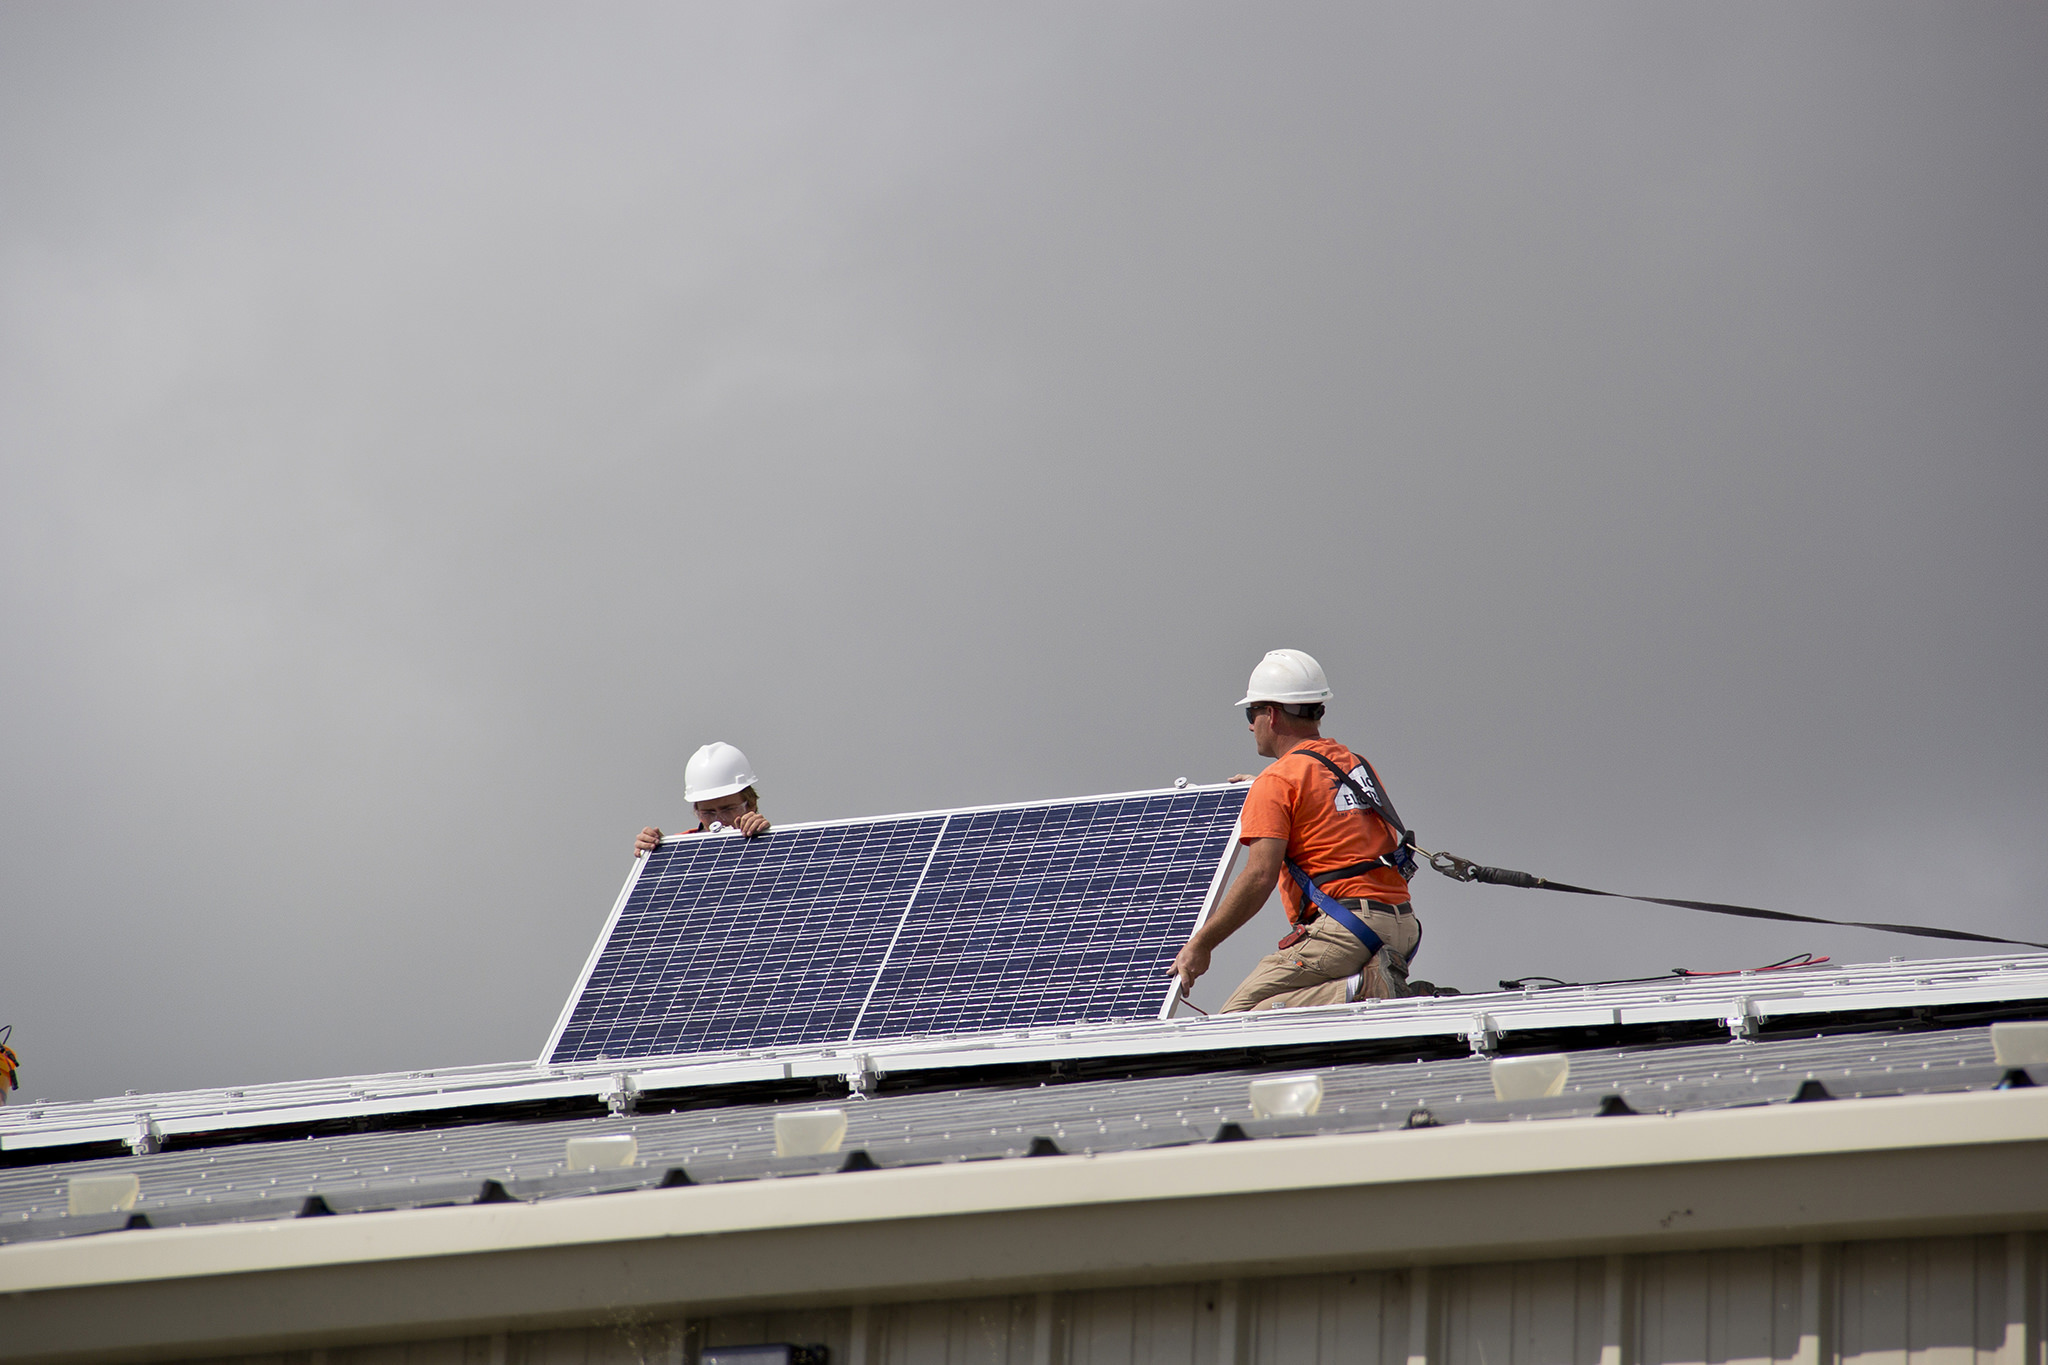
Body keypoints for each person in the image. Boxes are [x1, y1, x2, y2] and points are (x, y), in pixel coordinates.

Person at [1169, 649, 1422, 1011]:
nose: (1249, 725)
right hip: (1401, 926)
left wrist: (1201, 944)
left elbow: (1259, 877)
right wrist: (1269, 789)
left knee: (1235, 1019)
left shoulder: (1276, 782)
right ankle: (1373, 987)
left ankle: (1370, 985)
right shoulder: (1353, 764)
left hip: (1346, 929)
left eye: (1250, 713)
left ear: (1270, 714)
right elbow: (1328, 810)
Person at [634, 741, 771, 855]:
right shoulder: (683, 846)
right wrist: (660, 854)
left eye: (728, 809)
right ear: (697, 811)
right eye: (708, 813)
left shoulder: (774, 845)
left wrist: (765, 840)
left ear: (751, 804)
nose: (719, 820)